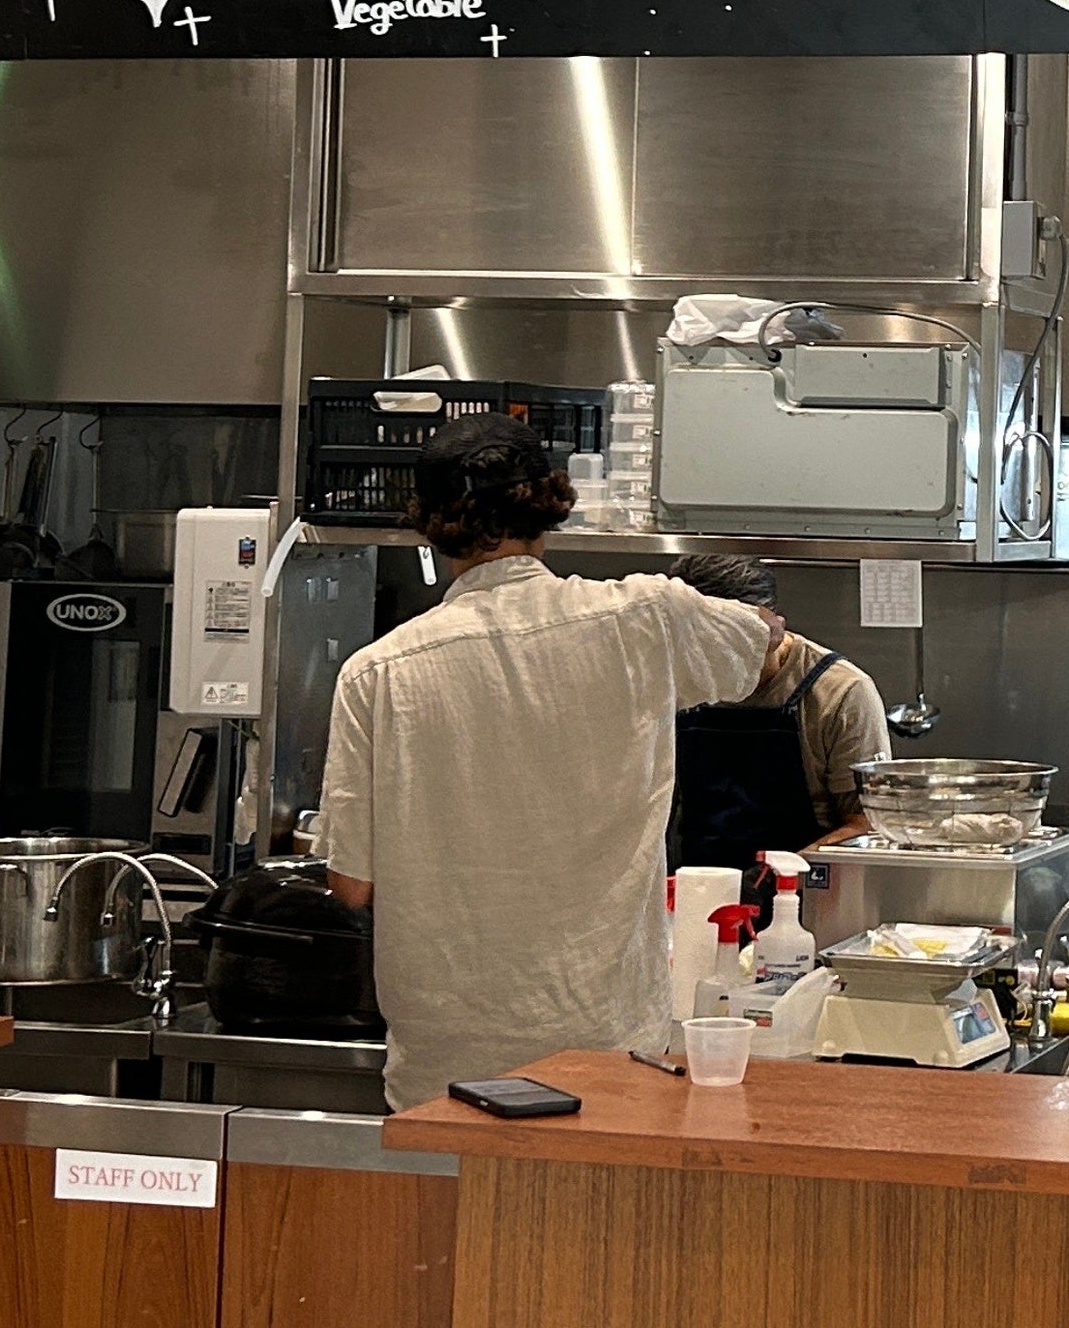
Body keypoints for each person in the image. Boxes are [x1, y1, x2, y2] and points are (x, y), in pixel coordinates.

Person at [323, 419, 772, 1109]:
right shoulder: (644, 615)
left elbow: (352, 885)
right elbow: (760, 643)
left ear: (429, 525)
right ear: (549, 506)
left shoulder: (375, 672)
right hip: (605, 1043)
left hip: (446, 1061)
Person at [663, 552, 894, 870]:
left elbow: (867, 822)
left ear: (771, 629)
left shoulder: (841, 692)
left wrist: (779, 874)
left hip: (804, 888)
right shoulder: (674, 680)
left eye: (730, 649)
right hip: (698, 883)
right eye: (702, 652)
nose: (714, 670)